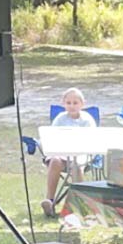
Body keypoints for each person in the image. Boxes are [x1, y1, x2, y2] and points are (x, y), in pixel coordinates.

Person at [40, 88, 92, 219]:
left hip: (81, 153)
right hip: (62, 152)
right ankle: (50, 201)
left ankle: (78, 204)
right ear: (63, 104)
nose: (72, 106)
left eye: (75, 103)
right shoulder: (60, 119)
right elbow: (52, 137)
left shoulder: (87, 120)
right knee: (55, 161)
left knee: (76, 165)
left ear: (82, 104)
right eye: (68, 103)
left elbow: (91, 140)